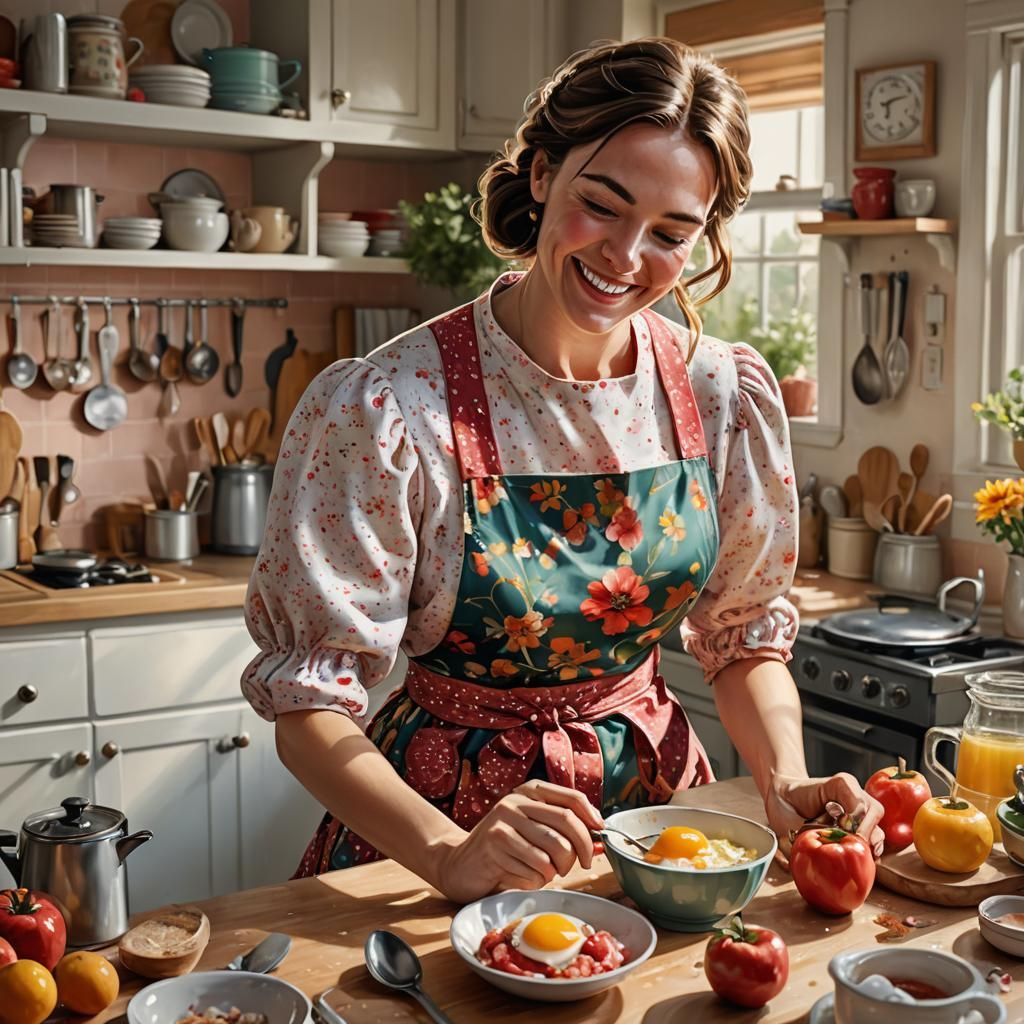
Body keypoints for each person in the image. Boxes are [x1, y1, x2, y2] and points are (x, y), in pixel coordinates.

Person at [242, 36, 884, 904]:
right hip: (443, 824)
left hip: (661, 826)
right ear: (542, 173)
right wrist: (445, 854)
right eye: (602, 204)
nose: (625, 256)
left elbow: (740, 634)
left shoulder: (718, 391)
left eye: (669, 233)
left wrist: (784, 784)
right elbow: (310, 705)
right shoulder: (388, 405)